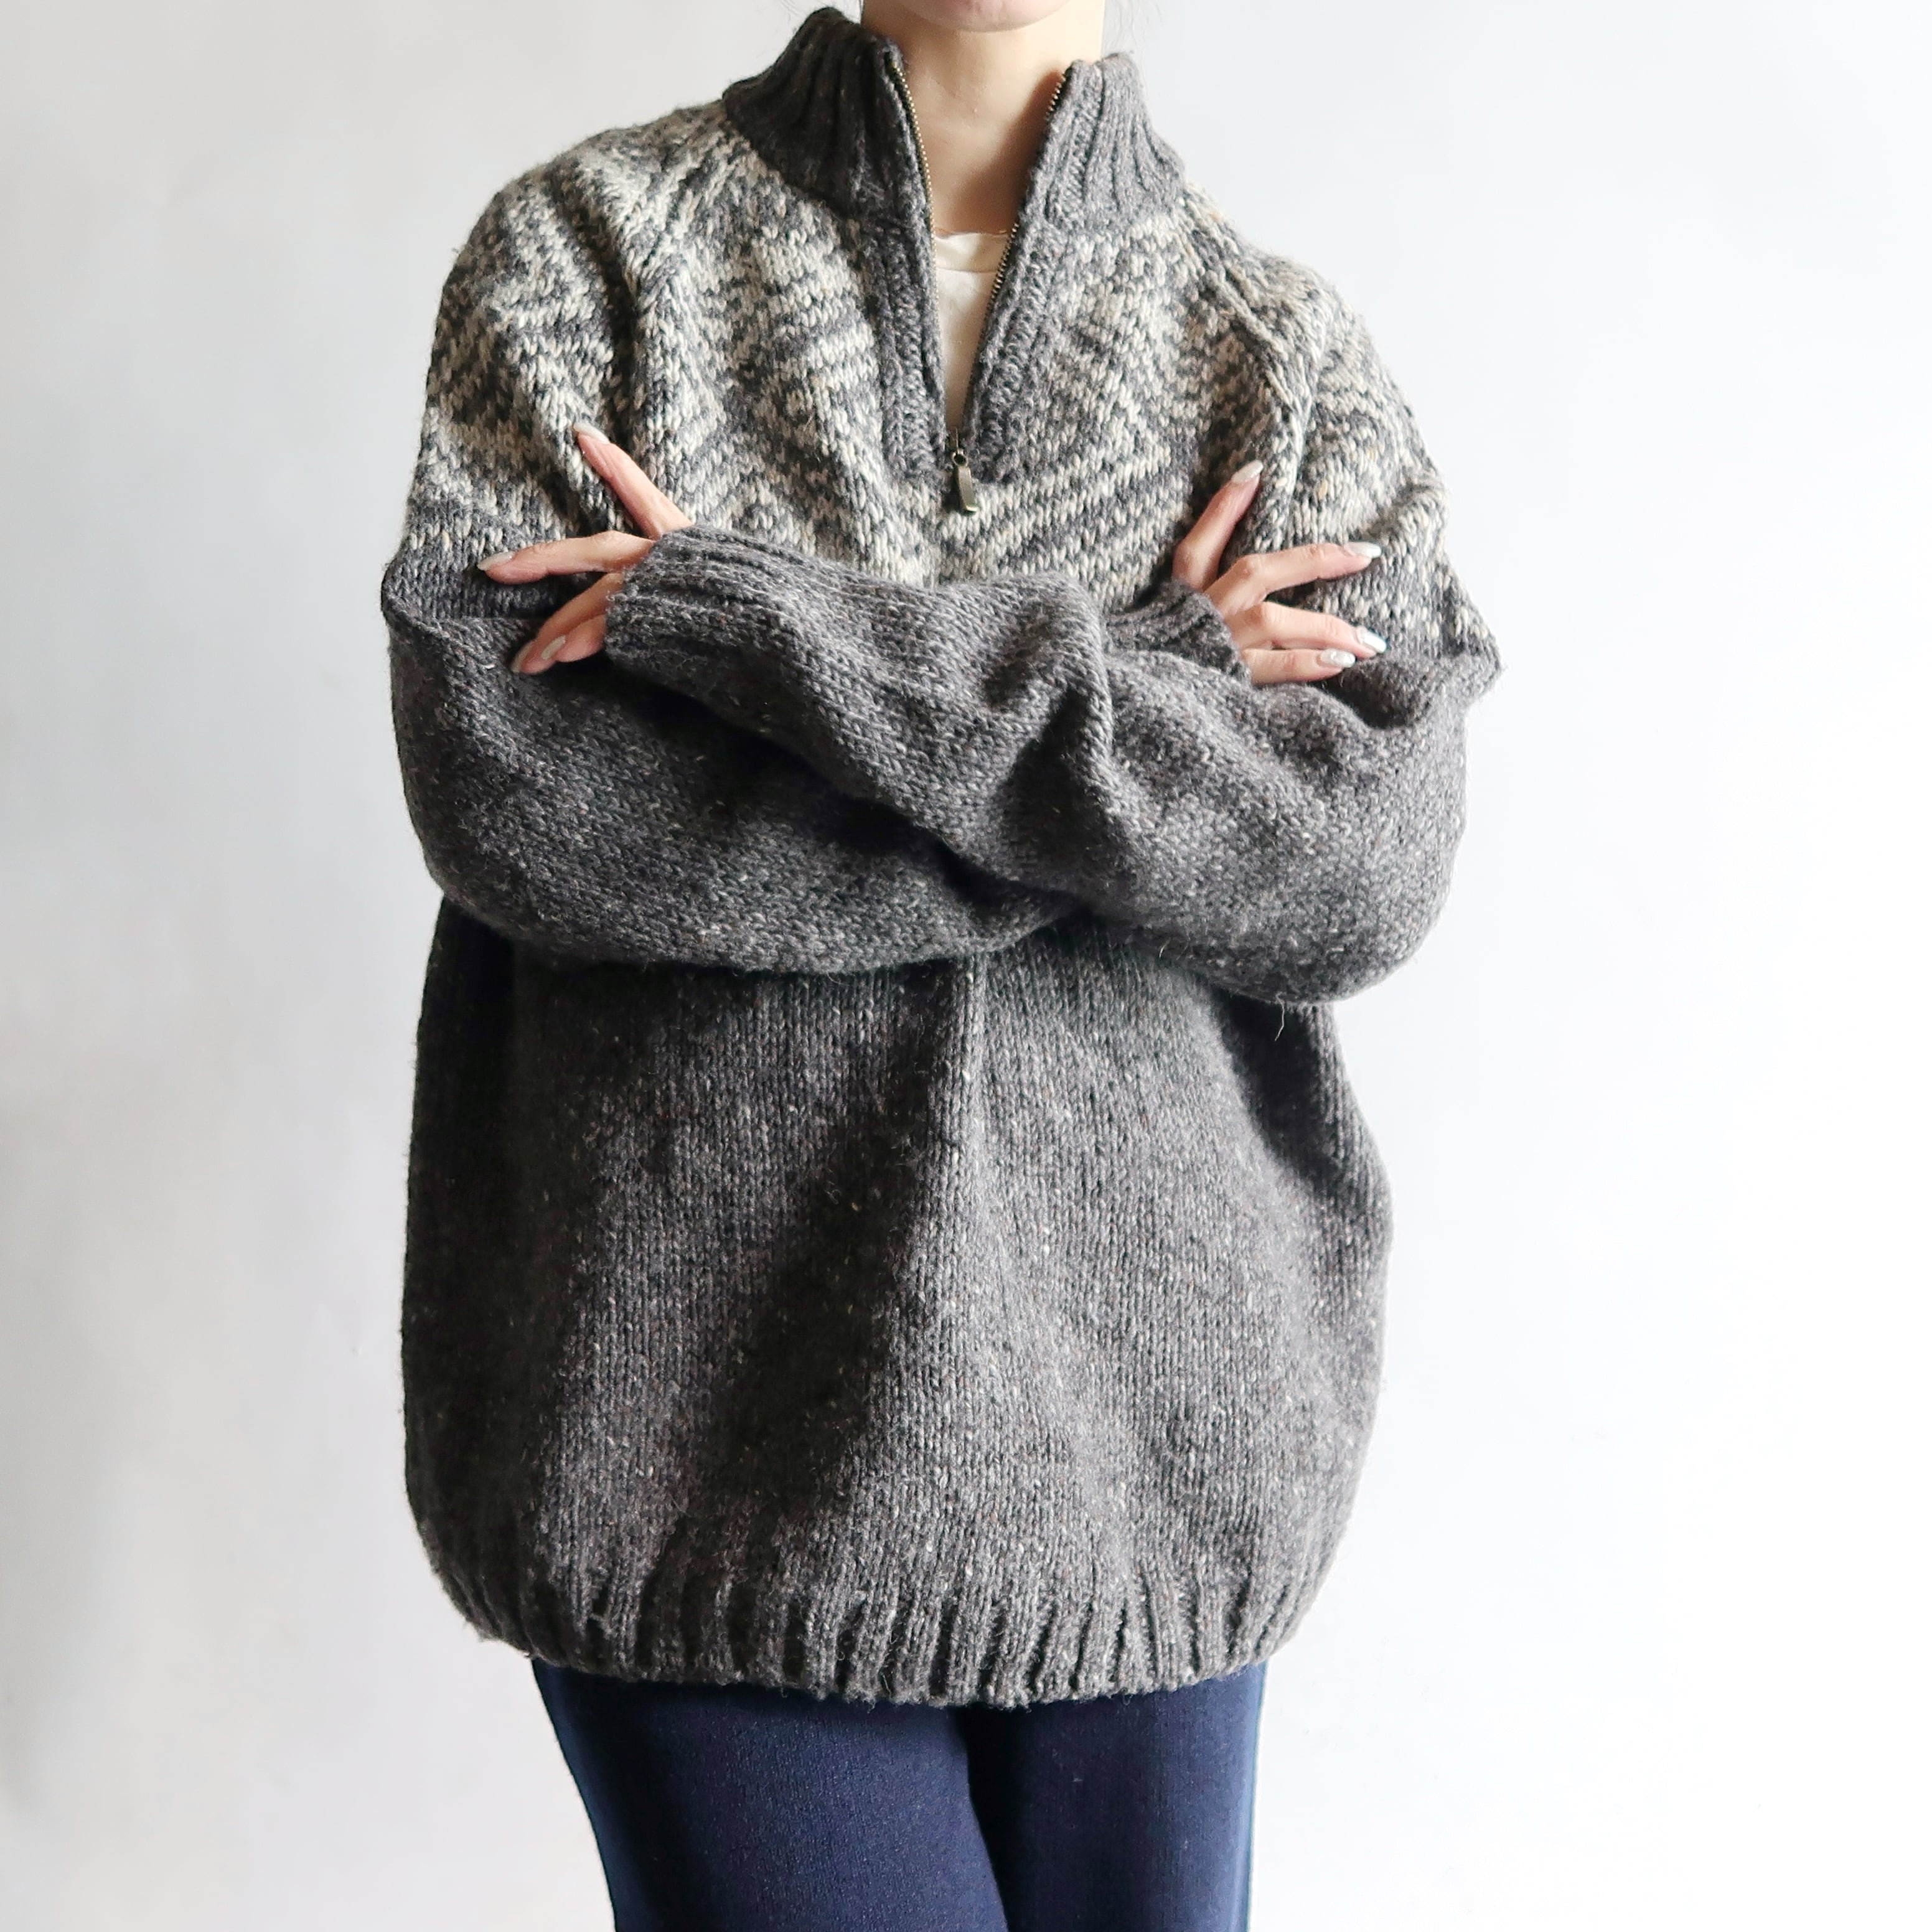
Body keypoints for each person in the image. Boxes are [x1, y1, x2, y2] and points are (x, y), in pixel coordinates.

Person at [380, 2, 1500, 1925]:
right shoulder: (592, 259)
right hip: (692, 1446)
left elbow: (1355, 868)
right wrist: (1153, 704)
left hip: (1160, 1451)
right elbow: (535, 809)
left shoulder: (1282, 354)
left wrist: (750, 630)